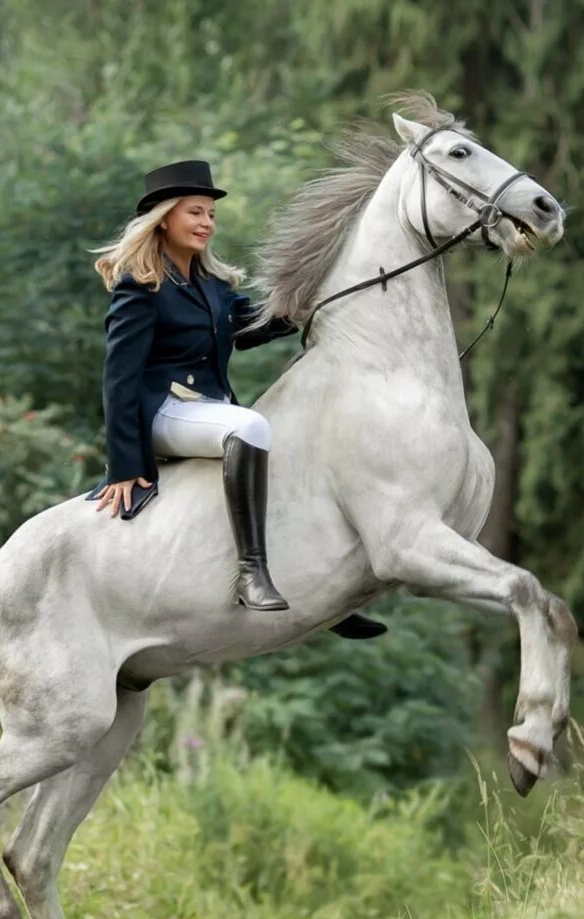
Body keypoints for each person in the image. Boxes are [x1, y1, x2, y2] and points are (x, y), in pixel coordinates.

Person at [89, 160, 384, 637]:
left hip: (205, 407)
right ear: (164, 218)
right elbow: (118, 377)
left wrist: (318, 300)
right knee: (249, 428)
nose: (207, 222)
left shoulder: (212, 284)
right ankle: (250, 574)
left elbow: (248, 330)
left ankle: (317, 582)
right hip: (160, 412)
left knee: (285, 439)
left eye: (210, 214)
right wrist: (124, 464)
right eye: (196, 212)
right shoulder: (139, 287)